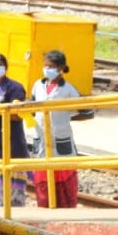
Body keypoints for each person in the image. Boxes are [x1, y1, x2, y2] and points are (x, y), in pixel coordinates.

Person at [31, 50, 79, 209]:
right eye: (45, 66)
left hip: (61, 138)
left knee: (62, 172)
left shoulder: (68, 89)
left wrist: (64, 119)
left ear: (60, 68)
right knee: (42, 173)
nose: (47, 69)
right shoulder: (38, 85)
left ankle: (65, 208)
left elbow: (87, 111)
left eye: (51, 66)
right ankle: (44, 205)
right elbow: (32, 106)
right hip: (41, 137)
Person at [0, 54, 29, 207]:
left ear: (5, 67)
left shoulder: (14, 88)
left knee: (11, 196)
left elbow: (18, 114)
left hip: (10, 147)